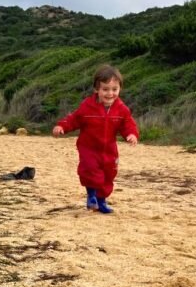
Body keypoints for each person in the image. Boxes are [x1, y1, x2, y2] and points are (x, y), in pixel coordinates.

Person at [52, 64, 138, 214]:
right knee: (91, 171)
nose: (110, 93)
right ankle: (91, 196)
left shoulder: (121, 109)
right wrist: (62, 127)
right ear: (96, 89)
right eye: (105, 89)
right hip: (88, 148)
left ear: (120, 89)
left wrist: (131, 134)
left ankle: (101, 201)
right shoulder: (87, 106)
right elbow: (74, 119)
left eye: (114, 89)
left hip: (109, 150)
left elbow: (127, 124)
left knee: (108, 175)